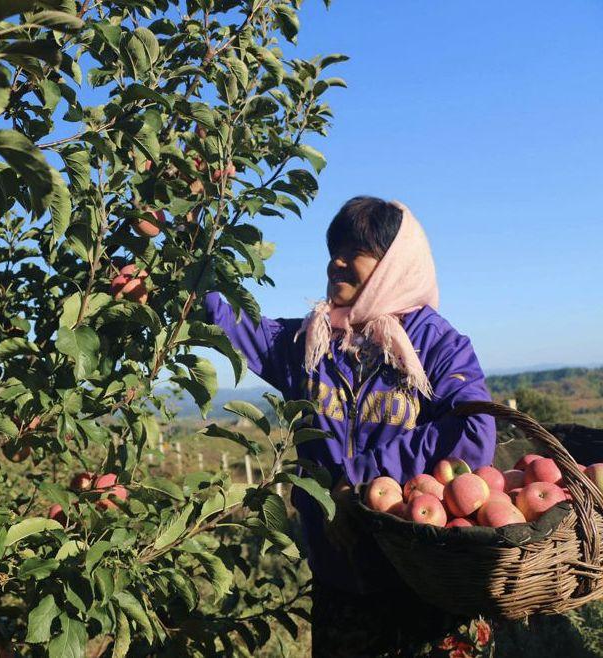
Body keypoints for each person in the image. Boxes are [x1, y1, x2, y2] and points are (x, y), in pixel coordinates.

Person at [202, 197, 497, 657]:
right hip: (343, 578)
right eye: (334, 248)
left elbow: (475, 432)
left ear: (392, 265)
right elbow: (230, 322)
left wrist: (361, 477)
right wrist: (184, 253)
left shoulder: (434, 344)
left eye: (355, 250)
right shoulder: (311, 341)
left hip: (429, 583)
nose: (335, 261)